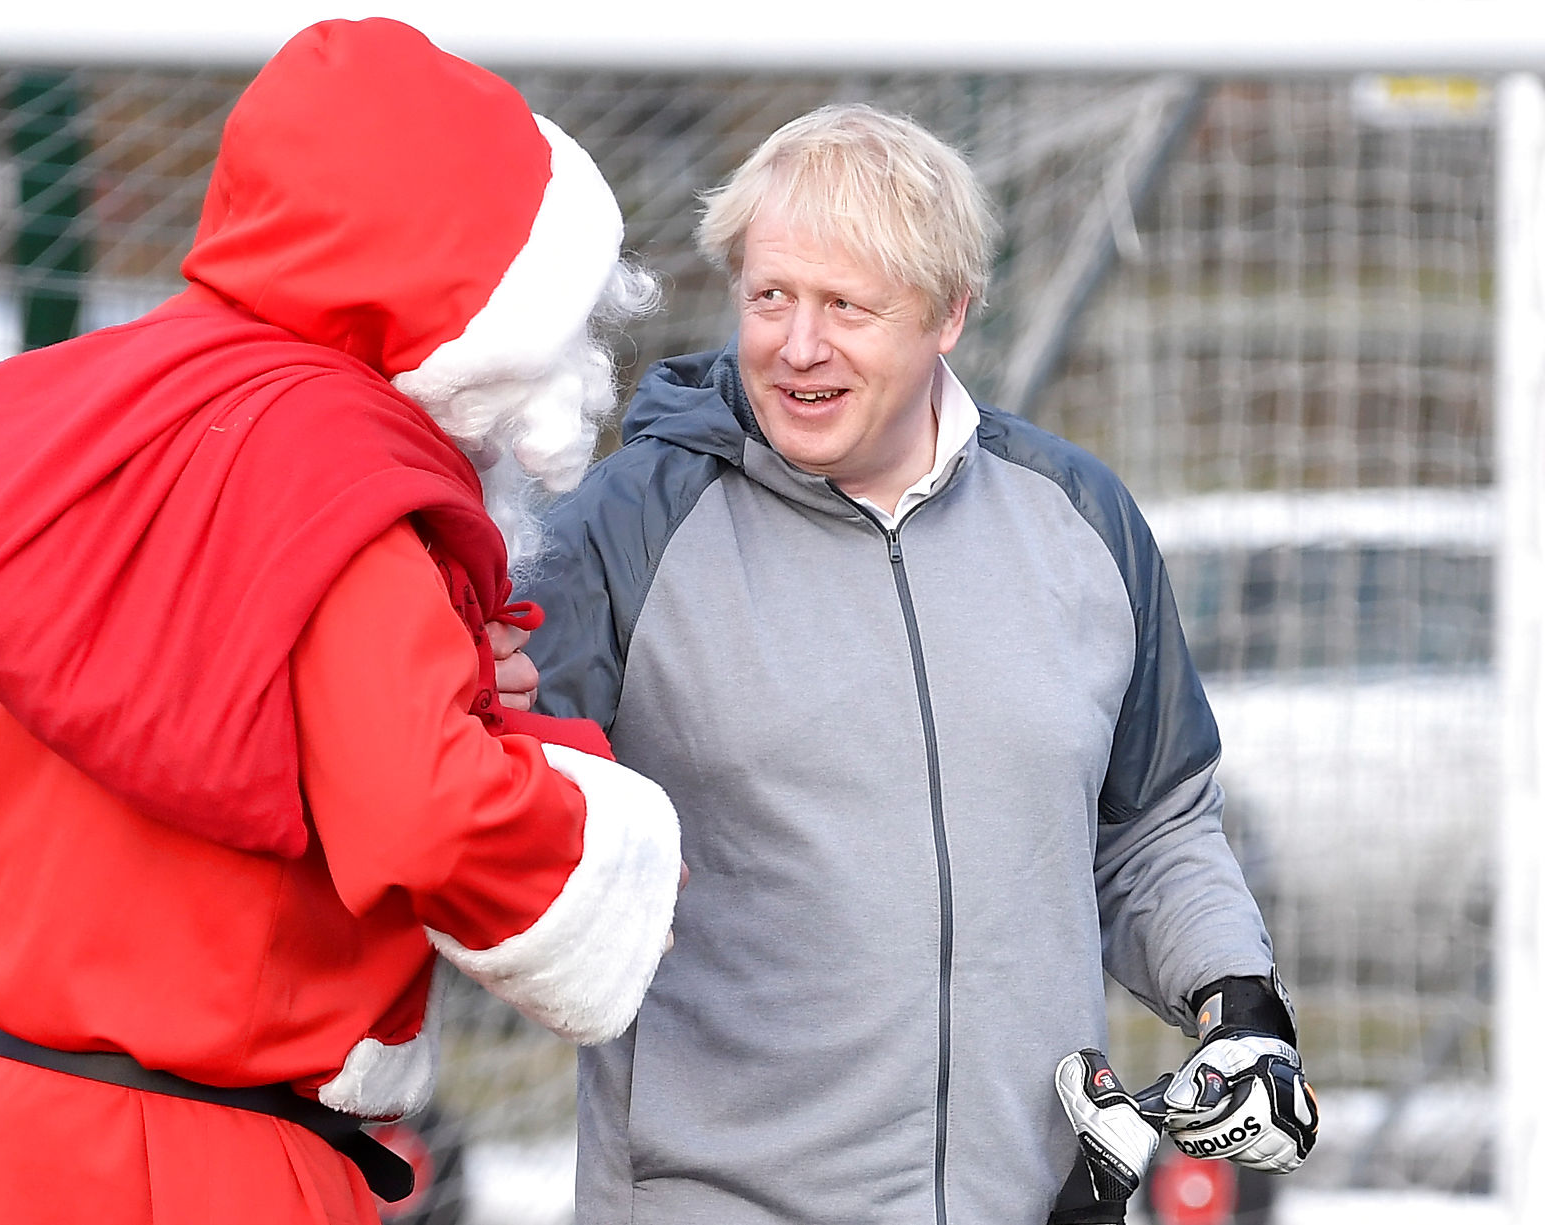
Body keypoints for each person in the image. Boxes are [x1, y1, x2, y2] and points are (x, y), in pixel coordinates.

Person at [0, 19, 682, 1225]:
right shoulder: (335, 475)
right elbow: (427, 810)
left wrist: (444, 680)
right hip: (199, 1149)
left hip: (0, 1116)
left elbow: (207, 717)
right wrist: (615, 846)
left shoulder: (107, 430)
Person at [521, 103, 1317, 1225]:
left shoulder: (1079, 519)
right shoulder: (621, 531)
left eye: (846, 305)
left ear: (950, 312)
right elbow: (481, 807)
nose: (798, 345)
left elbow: (1153, 828)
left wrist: (1240, 1004)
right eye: (771, 296)